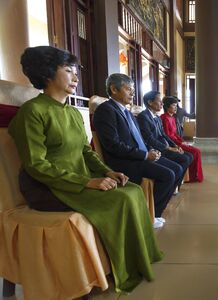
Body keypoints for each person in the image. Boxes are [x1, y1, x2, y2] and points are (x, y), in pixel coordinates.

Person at [8, 46, 163, 293]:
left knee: (132, 190)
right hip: (47, 186)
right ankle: (113, 268)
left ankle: (131, 260)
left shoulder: (71, 112)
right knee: (120, 200)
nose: (75, 77)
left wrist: (106, 172)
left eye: (75, 71)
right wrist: (86, 183)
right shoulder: (32, 112)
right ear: (47, 73)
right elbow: (36, 165)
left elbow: (85, 151)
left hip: (78, 176)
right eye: (68, 70)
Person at [93, 74, 182, 228]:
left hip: (139, 155)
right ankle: (150, 215)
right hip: (124, 161)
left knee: (177, 167)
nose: (133, 93)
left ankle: (153, 210)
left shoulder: (127, 112)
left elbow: (139, 139)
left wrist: (151, 151)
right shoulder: (106, 110)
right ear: (114, 89)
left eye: (133, 90)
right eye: (129, 89)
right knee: (168, 175)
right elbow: (113, 145)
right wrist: (145, 155)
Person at [138, 90, 193, 186]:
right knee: (184, 159)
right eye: (159, 101)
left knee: (189, 156)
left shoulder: (157, 117)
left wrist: (175, 145)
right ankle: (173, 186)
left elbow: (164, 135)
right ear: (150, 102)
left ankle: (175, 185)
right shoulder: (143, 117)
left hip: (164, 147)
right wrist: (169, 148)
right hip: (156, 149)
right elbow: (149, 139)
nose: (162, 104)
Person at [160, 96, 204, 182]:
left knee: (197, 150)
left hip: (177, 141)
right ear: (167, 106)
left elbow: (175, 134)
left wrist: (183, 141)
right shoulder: (164, 118)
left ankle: (194, 176)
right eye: (173, 105)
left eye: (176, 105)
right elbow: (168, 135)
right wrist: (179, 143)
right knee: (195, 151)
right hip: (172, 143)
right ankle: (191, 177)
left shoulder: (172, 117)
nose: (176, 107)